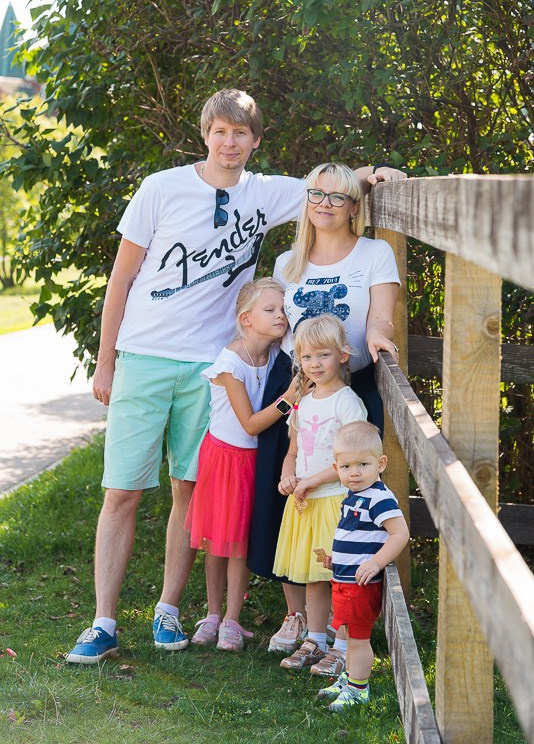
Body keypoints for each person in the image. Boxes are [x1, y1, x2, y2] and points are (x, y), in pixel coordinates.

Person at [65, 88, 405, 664]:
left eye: (240, 133)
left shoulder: (265, 192)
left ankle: (169, 611)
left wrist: (371, 174)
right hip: (146, 356)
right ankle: (102, 621)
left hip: (211, 367)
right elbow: (120, 279)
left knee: (189, 490)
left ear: (255, 140)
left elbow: (328, 190)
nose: (229, 142)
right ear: (205, 134)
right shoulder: (160, 188)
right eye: (220, 131)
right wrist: (106, 361)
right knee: (122, 490)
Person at [248, 162, 401, 661]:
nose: (325, 204)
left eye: (339, 197)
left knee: (346, 500)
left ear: (355, 206)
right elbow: (274, 326)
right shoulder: (288, 261)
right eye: (316, 194)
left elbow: (380, 317)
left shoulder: (374, 253)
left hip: (350, 385)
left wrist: (377, 337)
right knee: (287, 491)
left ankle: (345, 622)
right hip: (295, 388)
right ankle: (297, 615)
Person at [184, 278, 303, 652]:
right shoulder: (230, 363)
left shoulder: (276, 355)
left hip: (254, 460)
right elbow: (250, 424)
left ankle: (233, 620)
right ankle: (213, 614)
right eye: (270, 310)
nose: (280, 315)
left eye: (283, 309)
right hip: (224, 458)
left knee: (240, 542)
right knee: (218, 540)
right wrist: (289, 398)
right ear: (246, 319)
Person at [271, 315, 367, 673]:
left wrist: (312, 480)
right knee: (313, 574)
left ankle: (342, 646)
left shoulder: (347, 402)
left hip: (336, 499)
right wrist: (288, 476)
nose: (314, 364)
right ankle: (315, 639)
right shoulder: (303, 402)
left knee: (338, 575)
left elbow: (354, 458)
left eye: (323, 355)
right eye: (307, 357)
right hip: (305, 501)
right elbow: (293, 451)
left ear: (342, 355)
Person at [316, 420, 409, 711]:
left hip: (361, 584)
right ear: (336, 468)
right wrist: (337, 561)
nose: (354, 472)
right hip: (344, 580)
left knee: (357, 639)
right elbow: (357, 536)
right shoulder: (353, 496)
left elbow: (400, 533)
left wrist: (376, 562)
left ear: (380, 464)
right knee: (346, 633)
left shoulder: (379, 498)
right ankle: (349, 679)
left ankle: (359, 689)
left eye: (362, 464)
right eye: (346, 467)